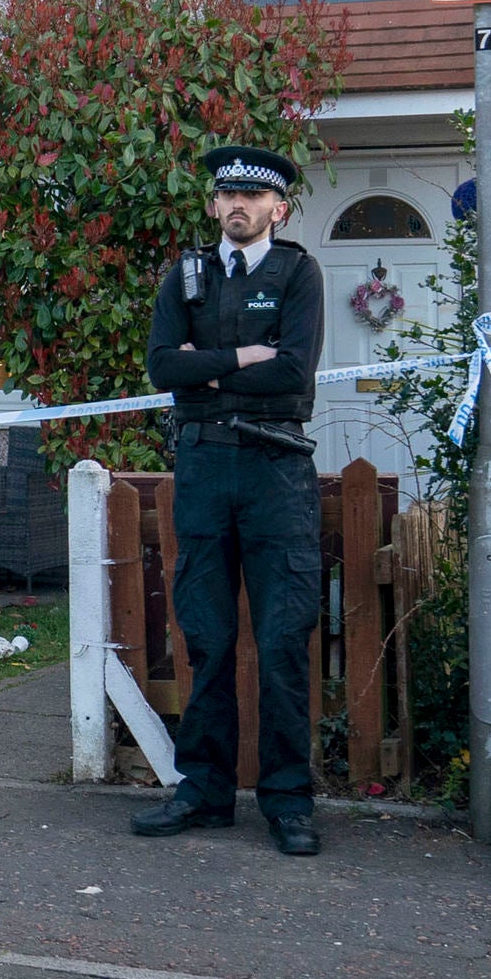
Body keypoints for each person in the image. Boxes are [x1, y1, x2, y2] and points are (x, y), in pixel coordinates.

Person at [133, 144, 328, 857]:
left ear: (279, 208)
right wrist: (244, 358)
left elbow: (294, 374)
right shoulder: (184, 278)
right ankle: (204, 790)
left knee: (281, 640)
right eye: (227, 195)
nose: (238, 205)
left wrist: (209, 371)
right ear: (214, 205)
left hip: (275, 466)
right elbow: (163, 366)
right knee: (207, 636)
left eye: (254, 196)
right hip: (206, 465)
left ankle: (288, 801)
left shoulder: (299, 273)